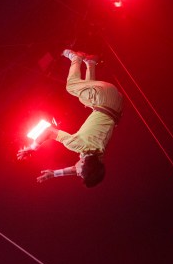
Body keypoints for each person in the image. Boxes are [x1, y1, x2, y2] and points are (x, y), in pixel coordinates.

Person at [17, 49, 123, 187]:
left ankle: (90, 62)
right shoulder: (76, 144)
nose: (77, 173)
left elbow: (78, 168)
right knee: (72, 86)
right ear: (84, 163)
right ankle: (75, 57)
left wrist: (54, 174)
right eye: (80, 173)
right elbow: (48, 131)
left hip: (115, 104)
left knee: (84, 97)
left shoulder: (98, 157)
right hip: (104, 98)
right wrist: (32, 148)